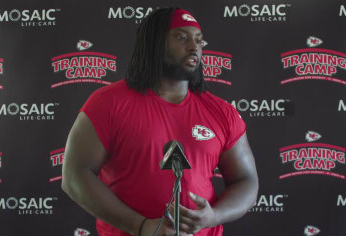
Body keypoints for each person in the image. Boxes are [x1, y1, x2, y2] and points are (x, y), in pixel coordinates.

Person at [62, 7, 258, 236]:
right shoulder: (108, 103)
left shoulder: (221, 112)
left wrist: (213, 216)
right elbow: (75, 175)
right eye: (181, 37)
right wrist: (142, 226)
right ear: (155, 43)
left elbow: (246, 180)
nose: (194, 47)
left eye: (199, 40)